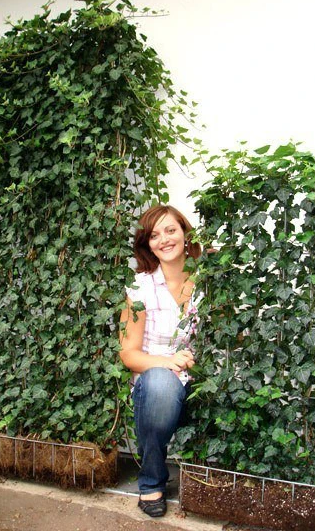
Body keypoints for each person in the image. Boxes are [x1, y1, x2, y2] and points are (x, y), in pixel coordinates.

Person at [119, 204, 202, 517]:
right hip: (156, 381)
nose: (164, 239)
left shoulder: (208, 282)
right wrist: (168, 362)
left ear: (185, 234)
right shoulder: (140, 288)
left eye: (170, 230)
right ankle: (152, 480)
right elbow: (129, 353)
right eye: (154, 235)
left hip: (198, 377)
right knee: (160, 385)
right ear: (148, 245)